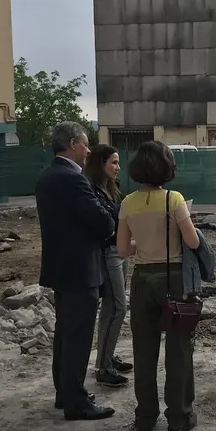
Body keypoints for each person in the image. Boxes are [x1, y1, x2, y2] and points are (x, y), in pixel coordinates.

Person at [116, 141, 201, 431]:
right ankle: (179, 417)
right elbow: (193, 242)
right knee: (178, 350)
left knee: (144, 350)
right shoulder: (174, 200)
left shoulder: (127, 203)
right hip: (173, 279)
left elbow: (123, 249)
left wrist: (146, 243)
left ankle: (145, 418)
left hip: (142, 280)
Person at [35, 122, 116, 421]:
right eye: (84, 144)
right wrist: (108, 214)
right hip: (80, 269)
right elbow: (103, 223)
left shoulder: (47, 177)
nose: (88, 149)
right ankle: (76, 401)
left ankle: (64, 392)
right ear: (72, 144)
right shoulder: (73, 179)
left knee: (65, 334)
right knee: (79, 336)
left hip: (60, 267)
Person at [84, 145, 132, 388]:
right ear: (100, 164)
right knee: (118, 308)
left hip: (120, 251)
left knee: (112, 308)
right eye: (113, 162)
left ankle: (106, 357)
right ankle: (104, 366)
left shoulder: (110, 189)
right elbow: (105, 224)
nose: (117, 167)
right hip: (108, 253)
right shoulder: (92, 191)